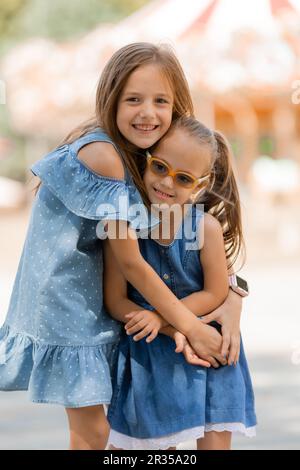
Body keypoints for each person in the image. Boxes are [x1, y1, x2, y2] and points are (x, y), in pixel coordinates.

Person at [0, 43, 242, 450]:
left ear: (176, 108)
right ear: (111, 98)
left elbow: (177, 237)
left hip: (93, 302)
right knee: (95, 431)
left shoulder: (145, 162)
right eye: (133, 99)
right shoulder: (106, 157)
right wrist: (192, 326)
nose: (147, 112)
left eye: (160, 101)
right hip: (69, 304)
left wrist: (232, 293)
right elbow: (132, 263)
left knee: (115, 427)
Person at [105, 117, 257, 450]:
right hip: (151, 357)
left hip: (210, 350)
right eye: (160, 167)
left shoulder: (206, 228)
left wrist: (160, 317)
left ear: (200, 185)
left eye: (183, 178)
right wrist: (168, 329)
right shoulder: (124, 227)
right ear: (145, 160)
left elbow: (216, 291)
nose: (167, 183)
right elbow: (115, 300)